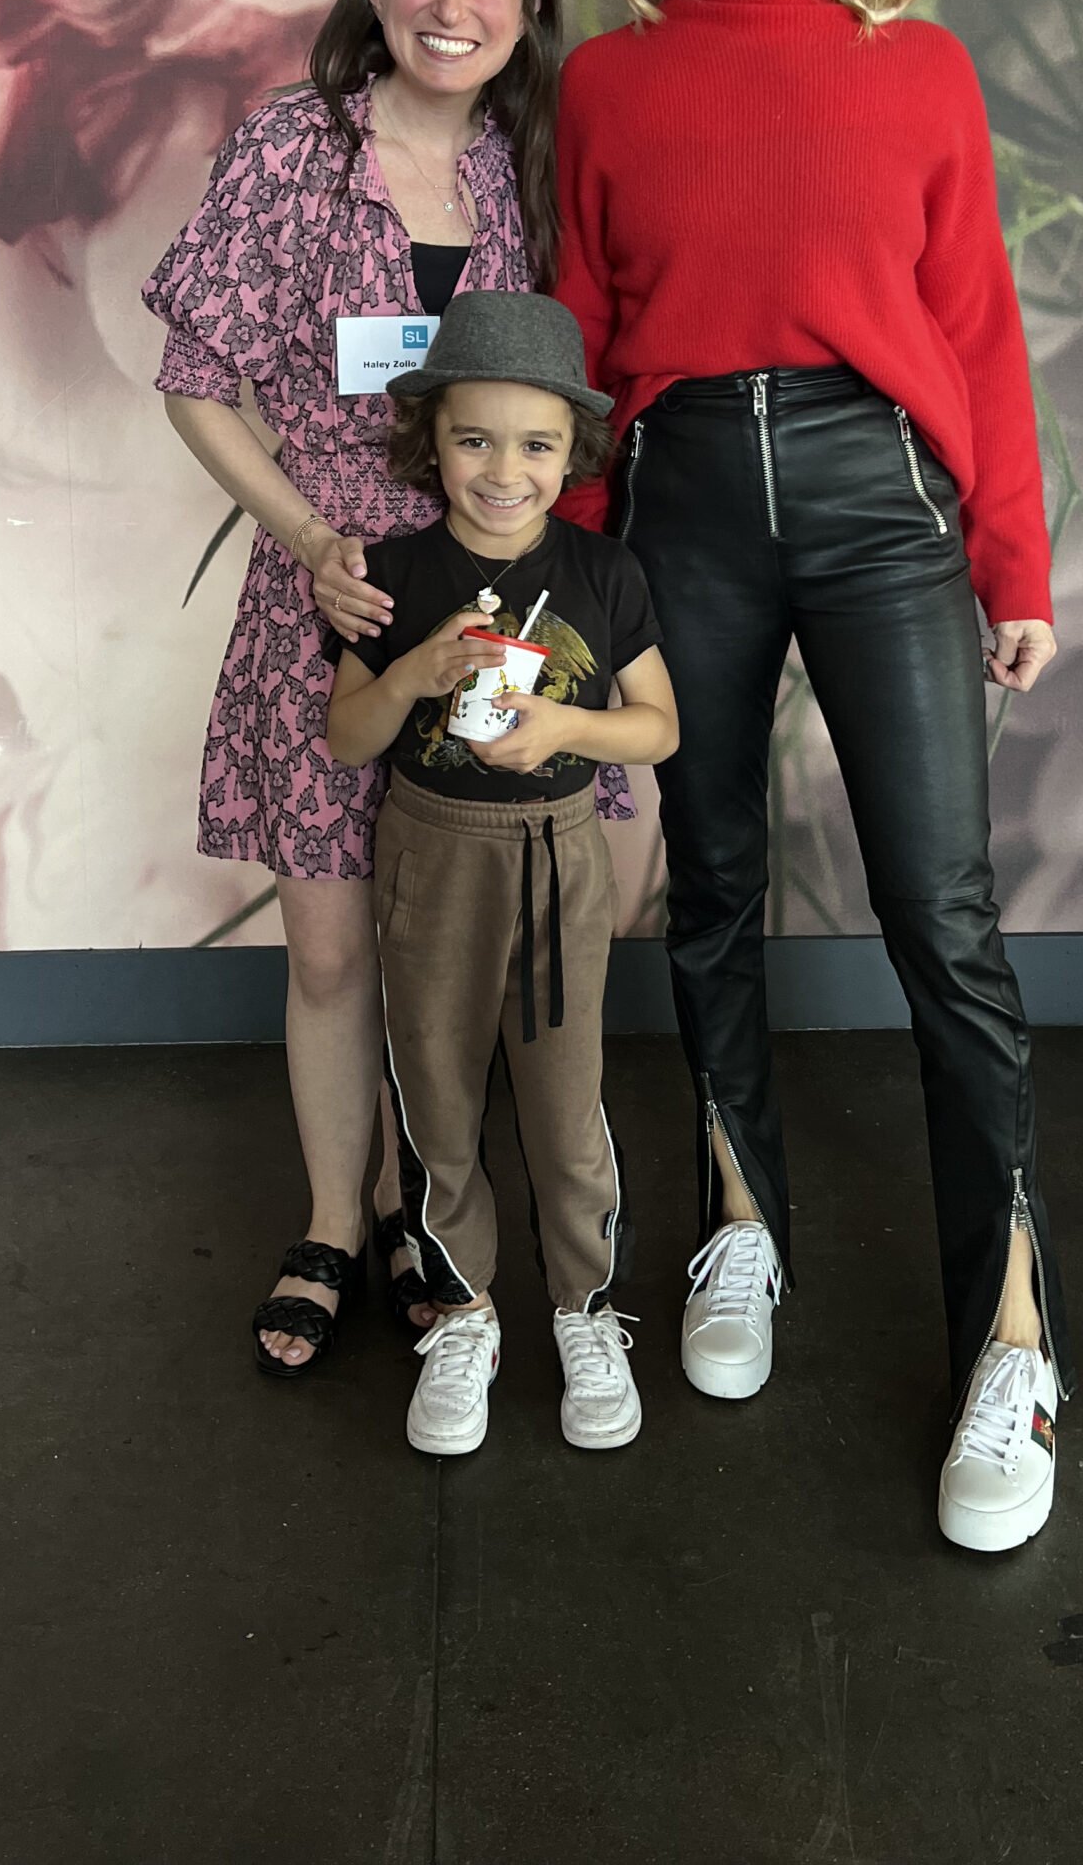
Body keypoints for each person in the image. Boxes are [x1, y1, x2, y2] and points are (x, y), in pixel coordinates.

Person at [556, 0, 1071, 1552]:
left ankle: (1012, 1345)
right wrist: (586, 577)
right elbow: (587, 338)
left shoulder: (919, 68)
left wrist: (1010, 559)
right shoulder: (606, 84)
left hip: (880, 503)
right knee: (710, 889)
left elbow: (978, 326)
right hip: (683, 501)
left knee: (941, 911)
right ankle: (741, 1232)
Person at [144, 0, 623, 1378]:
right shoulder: (292, 148)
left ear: (528, 5)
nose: (452, 0)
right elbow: (195, 379)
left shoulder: (527, 170)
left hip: (507, 617)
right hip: (337, 610)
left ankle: (438, 1211)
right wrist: (304, 534)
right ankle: (333, 1227)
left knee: (476, 947)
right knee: (337, 949)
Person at [325, 292, 678, 1457]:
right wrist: (420, 668)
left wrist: (562, 731)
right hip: (429, 856)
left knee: (564, 1102)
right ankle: (466, 1309)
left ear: (571, 452)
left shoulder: (605, 572)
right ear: (430, 438)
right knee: (435, 1092)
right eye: (475, 439)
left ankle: (583, 1307)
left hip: (560, 858)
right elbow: (346, 738)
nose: (504, 470)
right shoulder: (387, 574)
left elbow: (658, 728)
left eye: (535, 445)